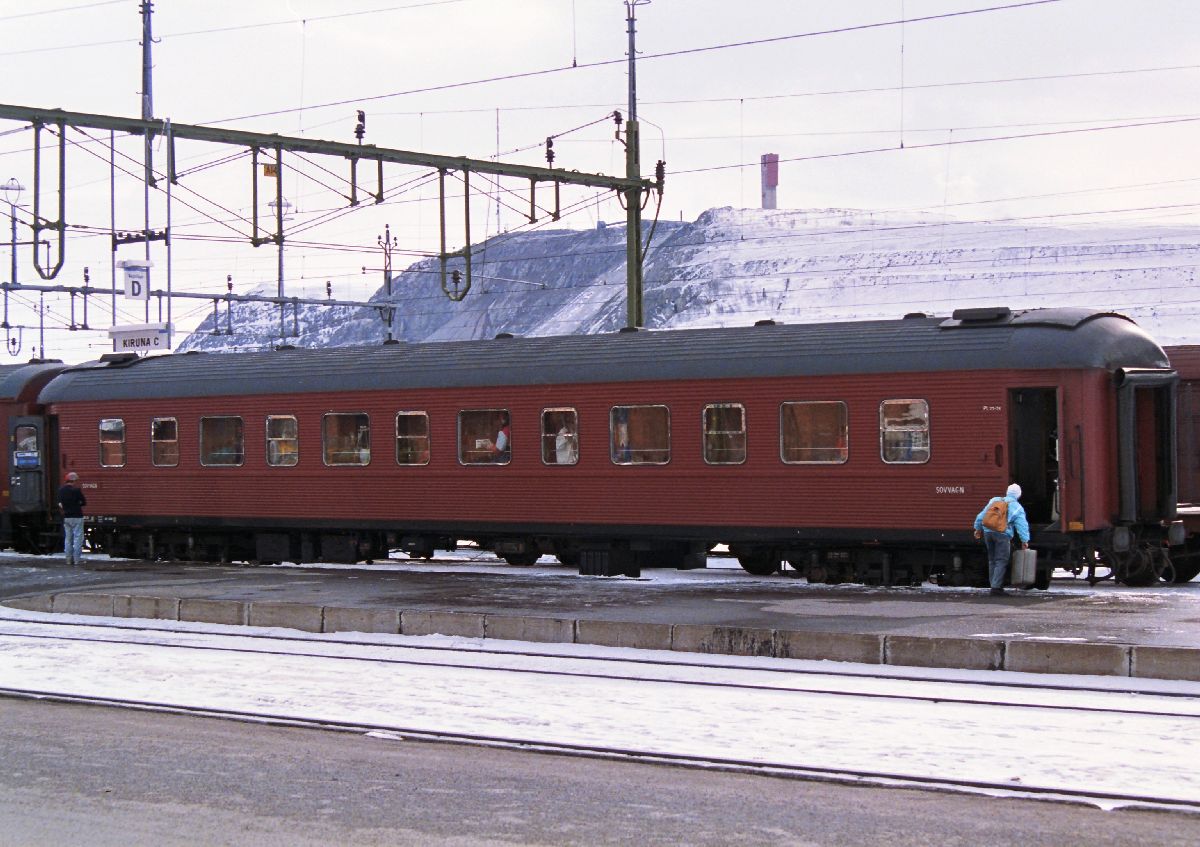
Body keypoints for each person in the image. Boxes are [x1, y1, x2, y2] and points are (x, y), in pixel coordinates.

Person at [973, 482, 1030, 595]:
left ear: (1007, 492)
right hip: (1002, 534)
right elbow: (1022, 526)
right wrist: (1025, 540)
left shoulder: (994, 500)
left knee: (992, 560)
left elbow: (982, 515)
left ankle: (993, 584)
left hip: (988, 532)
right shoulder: (1017, 507)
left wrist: (977, 528)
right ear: (1018, 495)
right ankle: (996, 588)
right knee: (1001, 560)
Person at [57, 471, 87, 567]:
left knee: (68, 538)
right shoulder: (76, 491)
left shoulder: (61, 490)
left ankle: (68, 559)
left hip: (67, 517)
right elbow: (84, 502)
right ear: (73, 481)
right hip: (77, 516)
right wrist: (77, 504)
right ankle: (77, 560)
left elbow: (60, 503)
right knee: (78, 538)